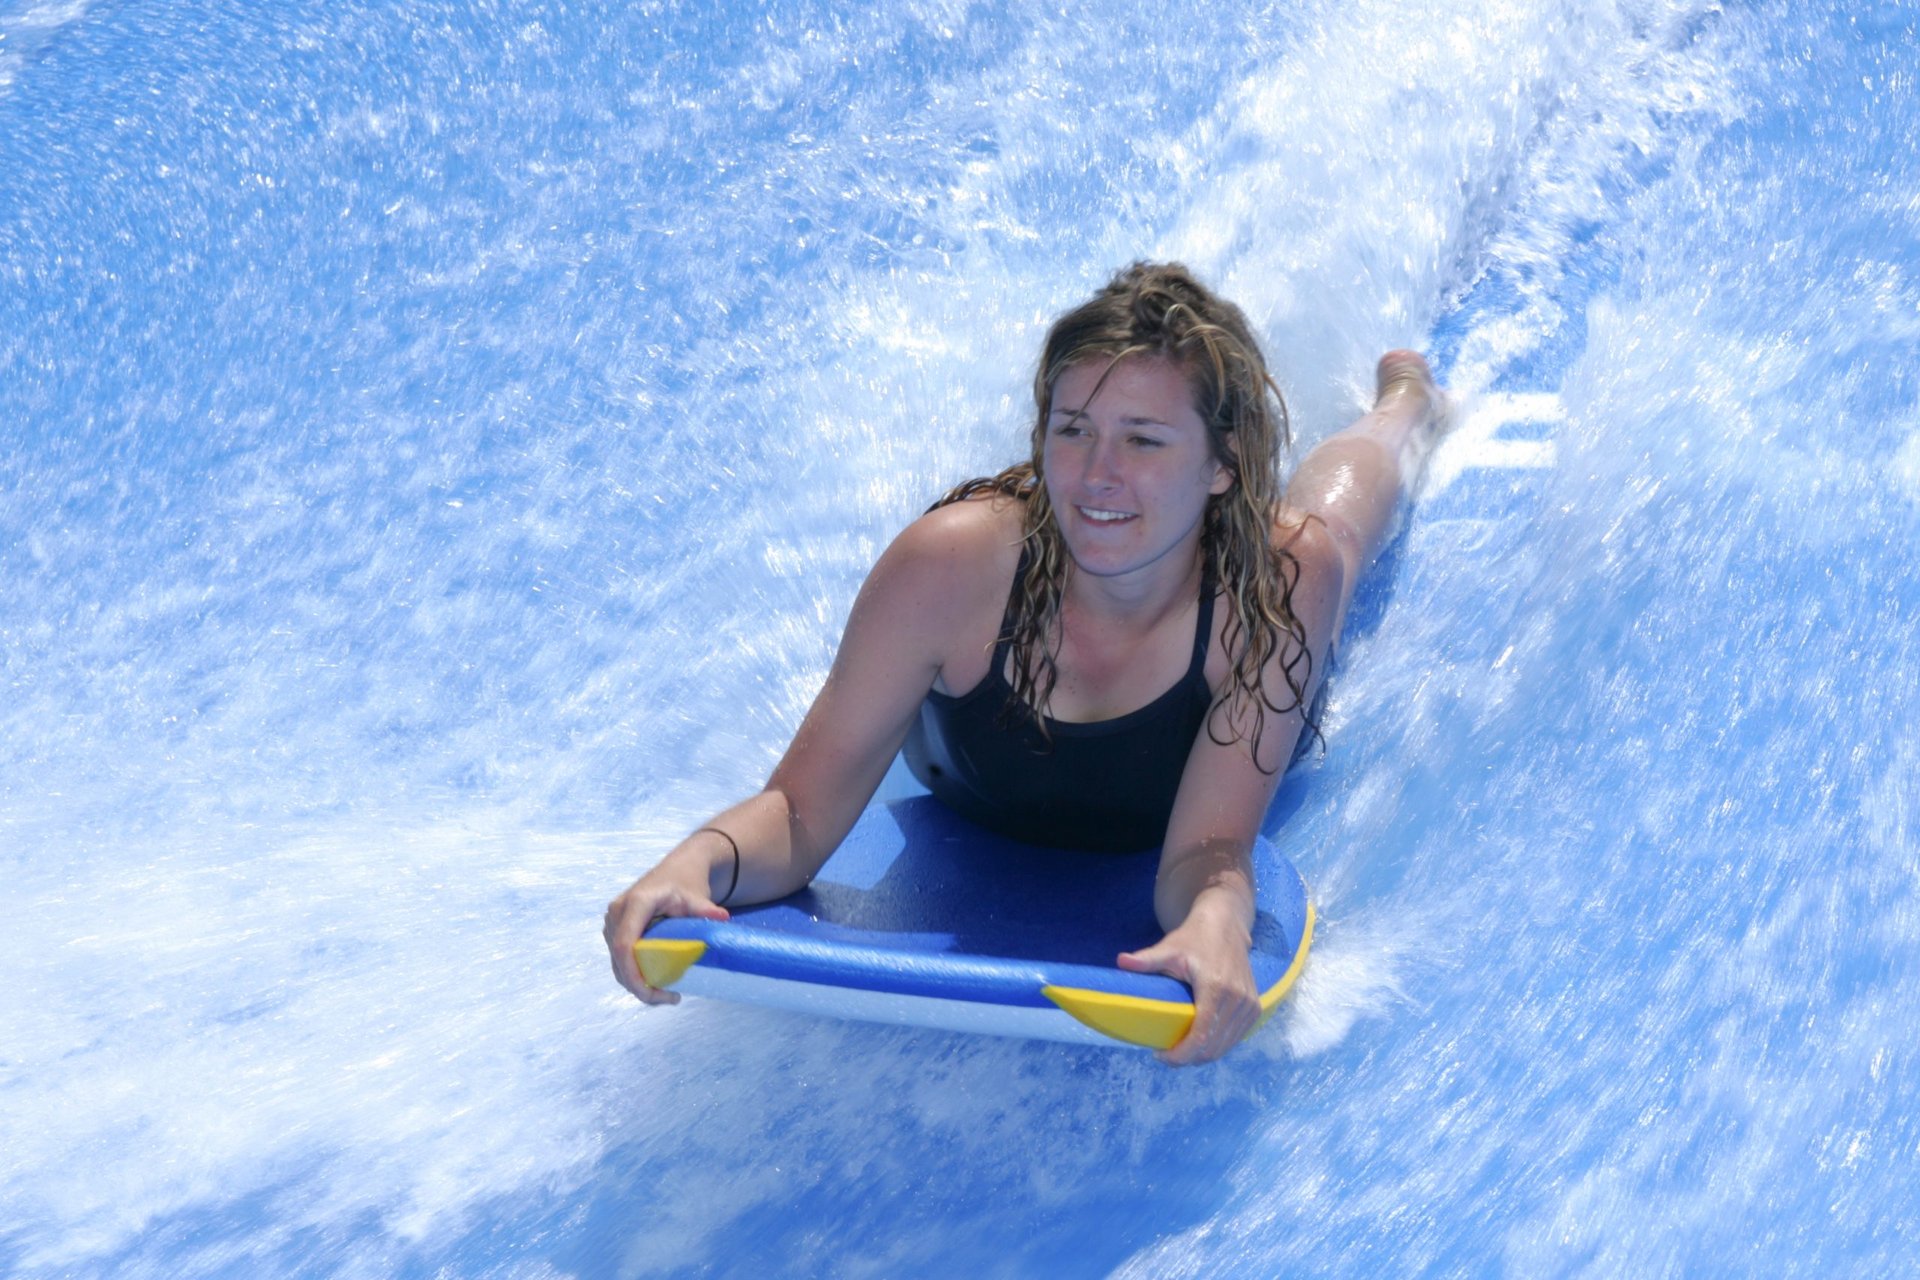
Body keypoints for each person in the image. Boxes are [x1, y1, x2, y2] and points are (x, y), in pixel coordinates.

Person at [604, 262, 1447, 1065]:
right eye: (1072, 430)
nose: (1096, 475)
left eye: (1145, 441)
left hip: (1260, 600)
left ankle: (1404, 406)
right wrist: (698, 860)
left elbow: (1208, 850)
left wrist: (1218, 918)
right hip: (982, 791)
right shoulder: (950, 571)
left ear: (1222, 465)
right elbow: (796, 812)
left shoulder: (1271, 587)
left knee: (1327, 535)